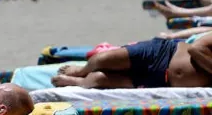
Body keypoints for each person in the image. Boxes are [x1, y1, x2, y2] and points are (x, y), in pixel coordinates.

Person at [51, 33, 212, 89]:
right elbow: (194, 49)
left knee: (99, 79)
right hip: (164, 53)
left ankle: (76, 82)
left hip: (164, 81)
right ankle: (81, 71)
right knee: (103, 59)